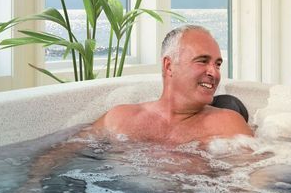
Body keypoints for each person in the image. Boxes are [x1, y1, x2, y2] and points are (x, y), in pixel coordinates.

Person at [90, 24, 253, 145]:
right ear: (169, 66)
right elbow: (69, 157)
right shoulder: (119, 119)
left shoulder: (229, 126)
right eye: (202, 61)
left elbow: (257, 180)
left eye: (217, 64)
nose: (214, 72)